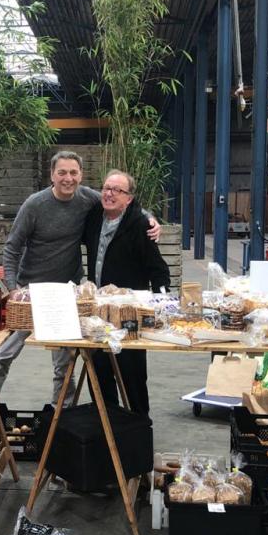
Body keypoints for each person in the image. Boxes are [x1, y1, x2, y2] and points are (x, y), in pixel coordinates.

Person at [0, 151, 161, 438]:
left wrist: (150, 219)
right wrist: (14, 289)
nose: (68, 178)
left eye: (73, 172)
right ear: (52, 175)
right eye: (62, 172)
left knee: (64, 364)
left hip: (65, 296)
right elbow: (12, 248)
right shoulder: (35, 205)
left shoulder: (88, 198)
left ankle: (60, 415)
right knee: (3, 355)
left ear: (80, 175)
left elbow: (123, 203)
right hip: (30, 293)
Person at [83, 169, 170, 417]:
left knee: (131, 373)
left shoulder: (140, 225)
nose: (109, 194)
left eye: (117, 190)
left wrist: (163, 304)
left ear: (129, 198)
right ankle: (108, 423)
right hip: (99, 313)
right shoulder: (93, 217)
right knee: (98, 371)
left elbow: (158, 269)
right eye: (106, 188)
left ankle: (139, 424)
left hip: (129, 315)